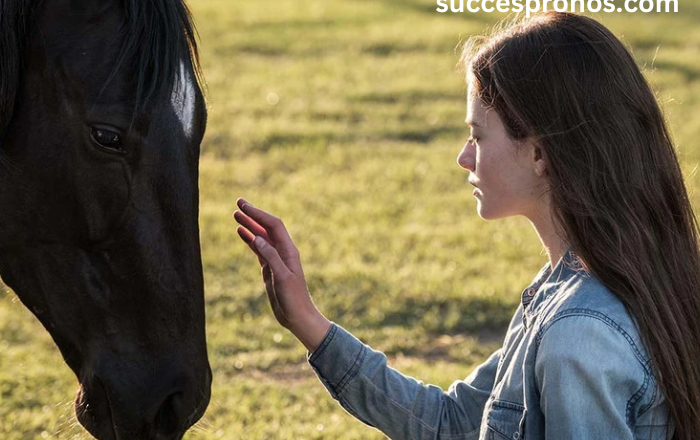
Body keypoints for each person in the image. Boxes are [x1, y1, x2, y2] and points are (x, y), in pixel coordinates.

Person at [233, 11, 700, 440]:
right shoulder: (575, 289)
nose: (463, 157)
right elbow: (454, 422)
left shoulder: (578, 334)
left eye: (477, 135)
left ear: (540, 154)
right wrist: (310, 324)